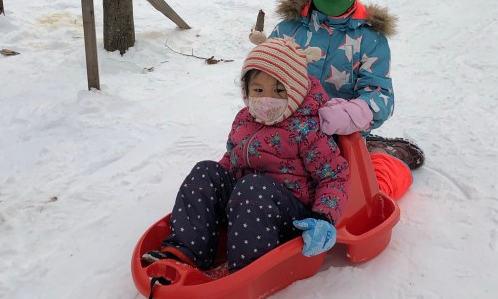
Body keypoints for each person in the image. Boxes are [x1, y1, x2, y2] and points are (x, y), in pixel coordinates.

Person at [142, 37, 350, 273]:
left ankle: (247, 269)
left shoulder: (308, 129)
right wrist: (212, 187)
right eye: (258, 90)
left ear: (296, 90)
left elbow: (334, 177)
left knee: (252, 186)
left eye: (279, 91)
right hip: (242, 204)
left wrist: (322, 217)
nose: (267, 100)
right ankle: (186, 251)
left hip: (288, 217)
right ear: (246, 90)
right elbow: (231, 159)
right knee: (205, 170)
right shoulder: (244, 119)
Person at [252, 0, 424, 170]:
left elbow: (380, 95)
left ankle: (384, 157)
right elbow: (263, 76)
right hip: (286, 130)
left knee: (360, 183)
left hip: (341, 137)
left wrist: (348, 116)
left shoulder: (370, 38)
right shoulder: (288, 29)